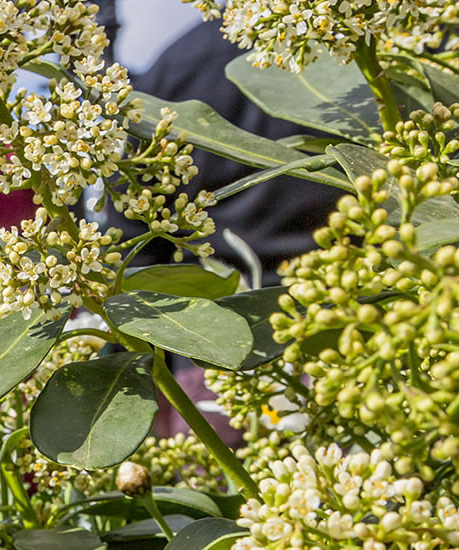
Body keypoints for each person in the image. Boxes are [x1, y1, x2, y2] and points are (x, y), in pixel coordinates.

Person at [113, 19, 346, 447]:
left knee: (231, 505)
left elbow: (131, 247)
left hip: (215, 357)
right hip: (340, 335)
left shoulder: (178, 65)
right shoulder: (338, 56)